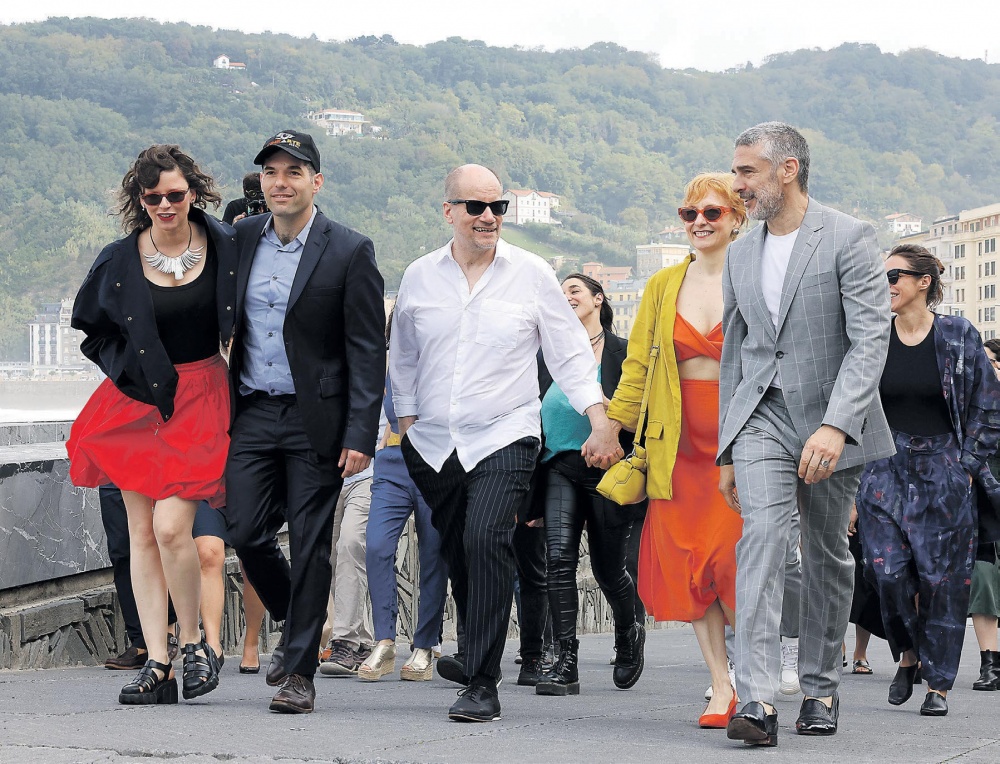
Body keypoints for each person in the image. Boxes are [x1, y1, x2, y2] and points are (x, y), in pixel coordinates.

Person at [389, 164, 622, 723]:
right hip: (434, 443)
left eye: (498, 206)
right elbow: (403, 354)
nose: (489, 217)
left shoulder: (532, 273)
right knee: (459, 552)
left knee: (487, 537)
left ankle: (482, 683)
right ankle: (475, 651)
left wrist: (599, 419)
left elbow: (568, 352)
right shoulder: (419, 276)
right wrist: (407, 421)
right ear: (449, 211)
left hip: (506, 432)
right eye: (476, 207)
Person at [717, 122, 893, 746]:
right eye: (736, 172)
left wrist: (837, 425)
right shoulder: (740, 252)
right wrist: (727, 448)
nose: (738, 184)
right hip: (761, 415)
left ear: (787, 170)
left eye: (747, 172)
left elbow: (870, 339)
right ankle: (757, 698)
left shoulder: (849, 236)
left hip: (829, 420)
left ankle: (820, 687)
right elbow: (737, 350)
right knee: (761, 540)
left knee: (824, 554)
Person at [68, 144, 237, 705]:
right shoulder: (119, 258)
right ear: (140, 201)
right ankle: (158, 663)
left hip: (202, 397)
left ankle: (193, 643)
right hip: (138, 401)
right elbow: (91, 326)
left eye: (175, 194)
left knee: (170, 527)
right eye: (153, 197)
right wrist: (129, 370)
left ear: (194, 192)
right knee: (141, 533)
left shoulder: (225, 245)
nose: (165, 205)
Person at [225, 130, 385, 714]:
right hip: (251, 410)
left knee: (313, 543)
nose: (281, 182)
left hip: (316, 419)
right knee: (245, 532)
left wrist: (360, 433)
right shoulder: (241, 238)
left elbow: (367, 348)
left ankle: (298, 674)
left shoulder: (349, 249)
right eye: (271, 172)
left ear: (316, 181)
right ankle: (298, 620)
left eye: (294, 172)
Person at [607, 173, 745, 725]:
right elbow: (637, 364)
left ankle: (753, 670)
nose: (700, 223)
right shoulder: (664, 284)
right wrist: (611, 428)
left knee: (734, 561)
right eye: (690, 214)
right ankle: (721, 684)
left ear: (737, 217)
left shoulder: (754, 276)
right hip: (676, 442)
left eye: (712, 212)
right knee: (692, 564)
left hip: (740, 438)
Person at [856, 245, 1000, 716]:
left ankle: (938, 684)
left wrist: (967, 465)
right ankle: (908, 654)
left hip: (944, 469)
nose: (886, 285)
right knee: (886, 573)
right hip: (884, 468)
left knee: (943, 583)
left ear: (924, 282)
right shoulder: (873, 336)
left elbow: (988, 404)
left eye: (894, 275)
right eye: (881, 277)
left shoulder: (958, 334)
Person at [535, 273, 646, 697]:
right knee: (559, 560)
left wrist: (613, 425)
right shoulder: (548, 352)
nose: (566, 297)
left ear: (598, 299)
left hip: (609, 472)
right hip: (559, 466)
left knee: (607, 568)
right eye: (560, 293)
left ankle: (628, 631)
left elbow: (644, 411)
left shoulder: (623, 352)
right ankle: (565, 661)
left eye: (574, 290)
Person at [358, 316, 449, 682]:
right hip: (393, 463)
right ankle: (384, 641)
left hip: (436, 462)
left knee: (433, 555)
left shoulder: (444, 358)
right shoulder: (389, 362)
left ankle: (425, 644)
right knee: (377, 545)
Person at [318, 458, 376, 677]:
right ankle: (362, 642)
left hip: (367, 475)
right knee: (331, 558)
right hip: (327, 477)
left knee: (350, 544)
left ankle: (344, 641)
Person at [969, 338, 1000, 691]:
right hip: (981, 510)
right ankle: (990, 663)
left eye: (991, 362)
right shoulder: (972, 405)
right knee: (984, 579)